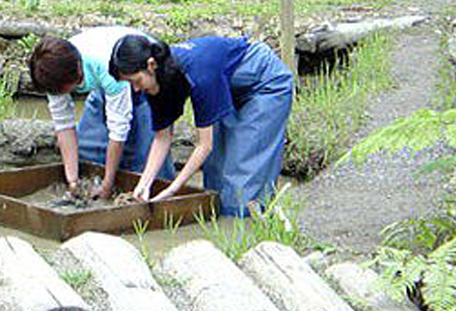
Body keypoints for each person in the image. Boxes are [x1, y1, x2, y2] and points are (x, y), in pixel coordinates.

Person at [109, 34, 293, 217]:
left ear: (151, 65)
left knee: (243, 177)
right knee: (215, 174)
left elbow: (204, 145)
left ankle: (245, 228)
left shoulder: (198, 74)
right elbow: (162, 138)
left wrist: (172, 190)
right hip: (226, 88)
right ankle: (220, 226)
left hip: (264, 84)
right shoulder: (157, 81)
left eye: (136, 81)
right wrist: (144, 185)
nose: (135, 89)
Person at [28, 26, 176, 200]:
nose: (58, 95)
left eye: (62, 91)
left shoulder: (105, 67)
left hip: (145, 76)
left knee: (148, 166)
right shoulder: (51, 73)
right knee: (88, 152)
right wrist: (73, 181)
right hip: (105, 88)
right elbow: (64, 125)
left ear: (77, 74)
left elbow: (118, 132)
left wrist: (107, 185)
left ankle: (164, 204)